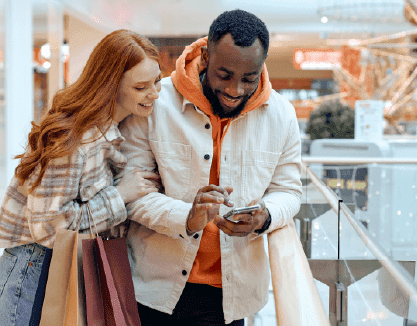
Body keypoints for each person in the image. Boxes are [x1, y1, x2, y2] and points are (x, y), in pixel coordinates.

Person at [118, 9, 302, 325]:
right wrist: (186, 216)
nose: (235, 90)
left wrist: (264, 216)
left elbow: (289, 191)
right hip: (155, 291)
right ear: (205, 58)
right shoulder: (155, 105)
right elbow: (133, 193)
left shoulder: (282, 116)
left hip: (232, 297)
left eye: (249, 78)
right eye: (224, 75)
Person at [0, 29, 162, 326]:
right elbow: (48, 228)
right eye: (141, 87)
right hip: (36, 273)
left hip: (66, 269)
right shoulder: (73, 139)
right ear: (111, 85)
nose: (154, 94)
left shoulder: (116, 130)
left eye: (157, 81)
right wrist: (120, 195)